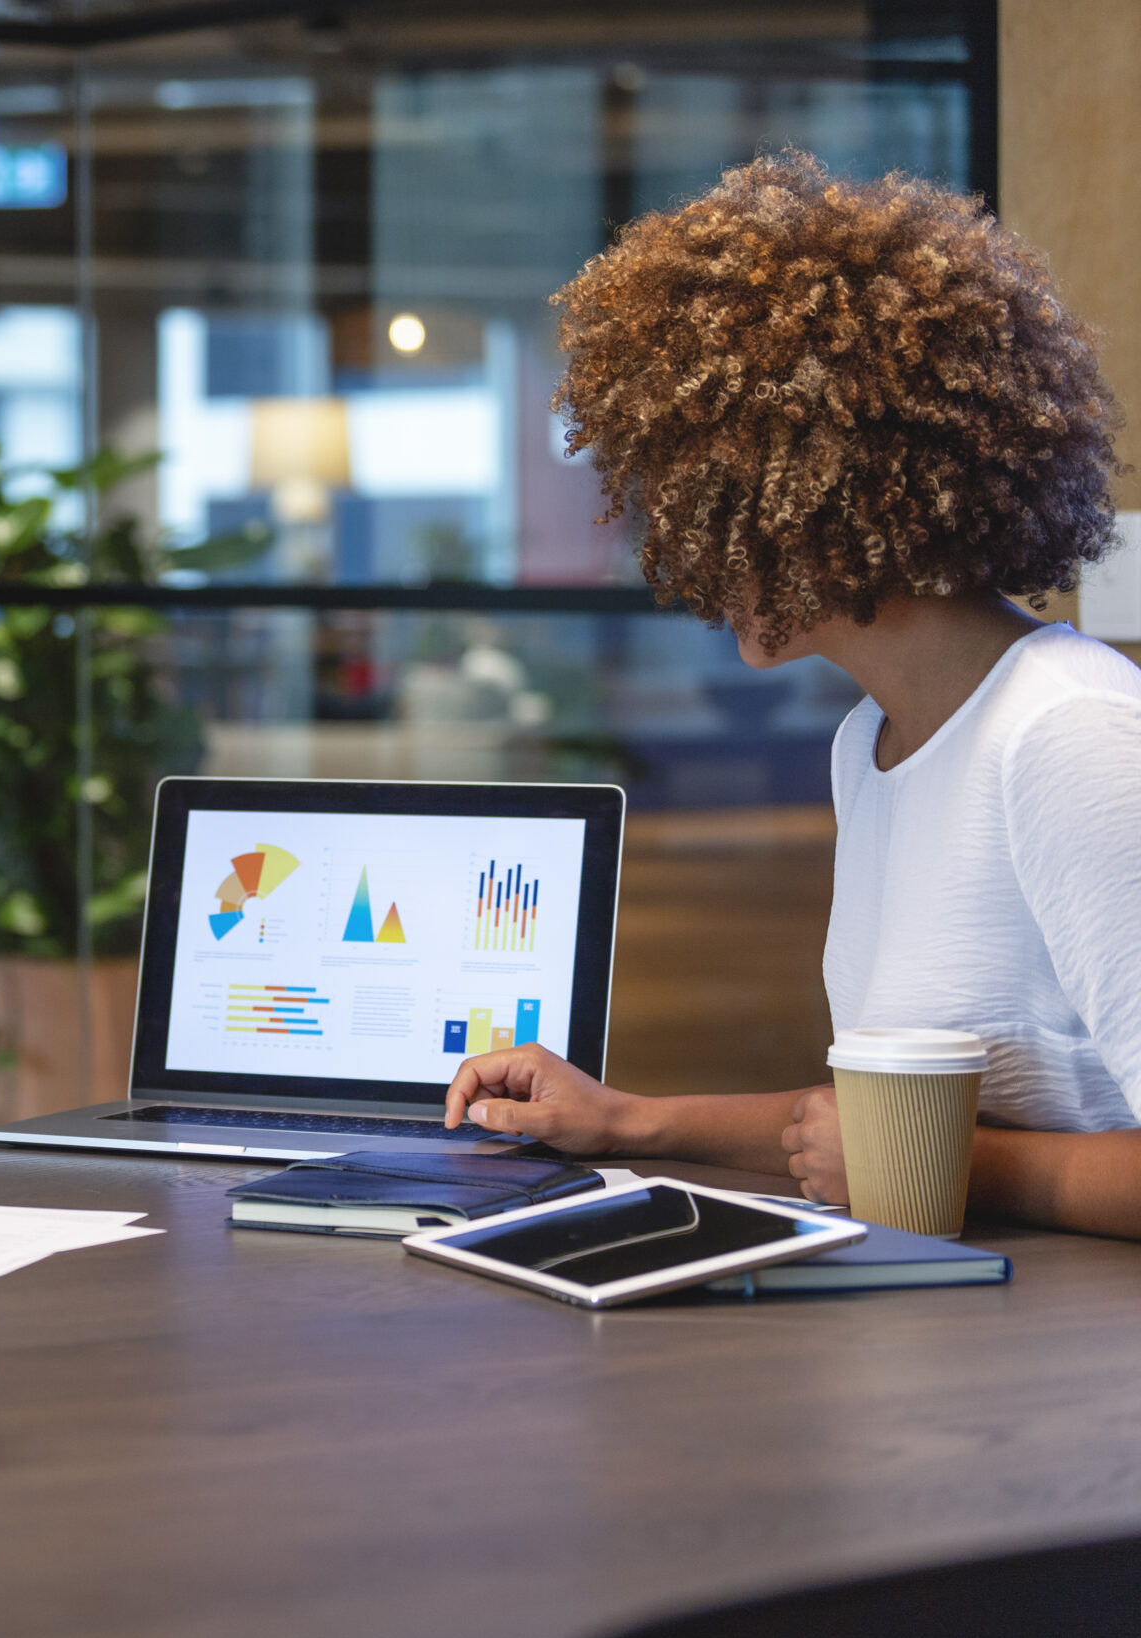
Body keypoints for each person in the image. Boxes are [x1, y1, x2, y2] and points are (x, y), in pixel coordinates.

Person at [441, 152, 1141, 1236]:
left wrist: (971, 1170)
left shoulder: (1070, 738)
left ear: (833, 495)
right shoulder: (874, 746)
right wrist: (622, 1122)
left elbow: (913, 1152)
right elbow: (859, 1126)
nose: (682, 556)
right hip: (936, 1329)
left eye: (711, 506)